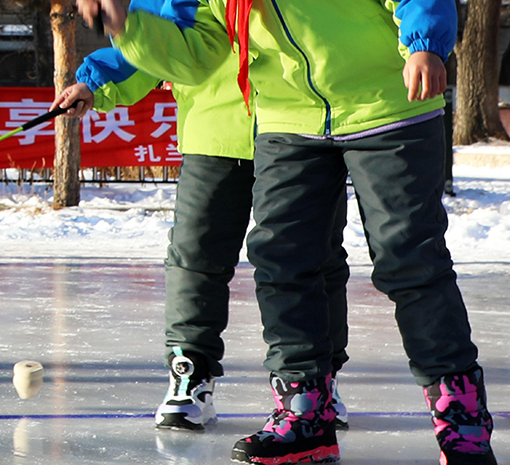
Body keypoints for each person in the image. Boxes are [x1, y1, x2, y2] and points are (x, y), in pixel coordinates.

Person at [76, 0, 499, 465]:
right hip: (287, 120)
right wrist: (127, 31)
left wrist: (424, 43)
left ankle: (459, 411)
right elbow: (199, 51)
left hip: (386, 109)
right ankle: (303, 409)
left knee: (406, 260)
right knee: (281, 257)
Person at [56, 28, 351, 431]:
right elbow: (158, 30)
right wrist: (98, 81)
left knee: (314, 258)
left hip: (307, 127)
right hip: (215, 127)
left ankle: (316, 380)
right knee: (195, 256)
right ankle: (190, 372)